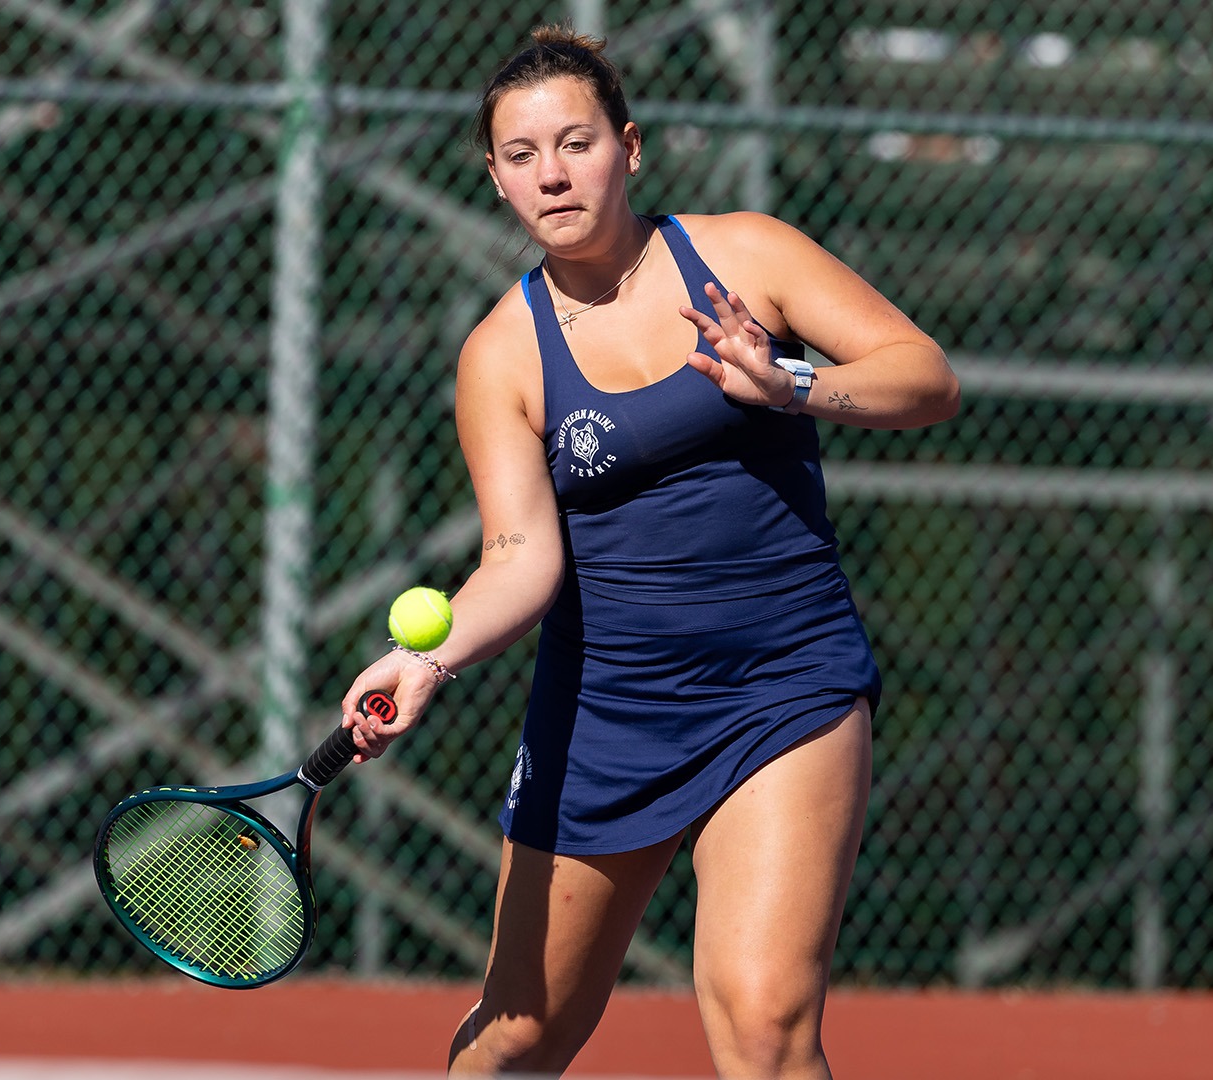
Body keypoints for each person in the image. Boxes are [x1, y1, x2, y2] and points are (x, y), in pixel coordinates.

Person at [338, 25, 959, 1079]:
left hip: (784, 687)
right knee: (520, 1036)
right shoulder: (502, 354)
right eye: (522, 156)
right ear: (494, 180)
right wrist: (427, 661)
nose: (552, 173)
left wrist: (793, 385)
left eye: (574, 143)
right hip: (608, 713)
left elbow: (925, 377)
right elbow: (522, 556)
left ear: (630, 148)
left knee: (765, 1025)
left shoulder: (746, 255)